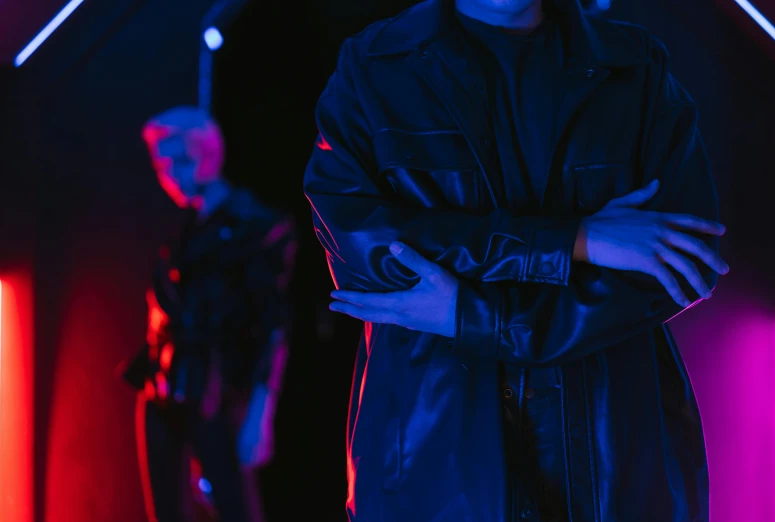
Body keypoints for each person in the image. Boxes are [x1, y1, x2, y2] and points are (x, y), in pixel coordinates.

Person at [303, 0, 729, 520]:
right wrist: (576, 240)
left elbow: (687, 260)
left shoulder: (635, 67)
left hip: (613, 453)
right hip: (436, 460)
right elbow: (368, 254)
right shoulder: (375, 66)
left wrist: (474, 315)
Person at [121, 106, 296, 521]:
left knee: (233, 507)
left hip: (217, 391)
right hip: (163, 388)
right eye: (161, 165)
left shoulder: (256, 226)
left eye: (179, 160)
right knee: (167, 510)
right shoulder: (178, 229)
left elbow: (274, 324)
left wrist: (260, 412)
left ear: (209, 153)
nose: (169, 175)